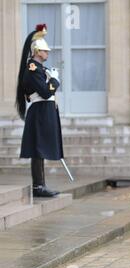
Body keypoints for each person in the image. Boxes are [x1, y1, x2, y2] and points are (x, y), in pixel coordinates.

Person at [15, 24, 63, 198]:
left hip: (44, 111)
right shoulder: (32, 68)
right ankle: (38, 187)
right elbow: (44, 92)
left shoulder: (40, 69)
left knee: (40, 149)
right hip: (40, 111)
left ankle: (40, 185)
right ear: (36, 51)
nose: (47, 53)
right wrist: (55, 81)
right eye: (45, 51)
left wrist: (50, 76)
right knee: (38, 149)